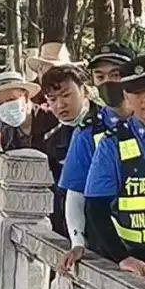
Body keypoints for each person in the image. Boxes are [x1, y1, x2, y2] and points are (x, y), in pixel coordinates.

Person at [83, 52, 145, 283]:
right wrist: (121, 257)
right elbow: (95, 208)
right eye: (138, 92)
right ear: (126, 96)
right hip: (134, 263)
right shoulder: (112, 145)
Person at [56, 43, 134, 274]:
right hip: (107, 244)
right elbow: (76, 191)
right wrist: (78, 242)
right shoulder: (89, 131)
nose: (107, 82)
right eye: (100, 76)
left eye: (116, 75)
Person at [37, 64, 98, 239]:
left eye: (66, 95)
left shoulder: (108, 125)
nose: (60, 104)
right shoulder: (52, 140)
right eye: (52, 99)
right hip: (69, 229)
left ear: (83, 90)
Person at [0, 68, 53, 157]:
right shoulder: (5, 132)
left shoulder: (51, 120)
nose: (6, 106)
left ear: (26, 96)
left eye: (11, 99)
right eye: (0, 103)